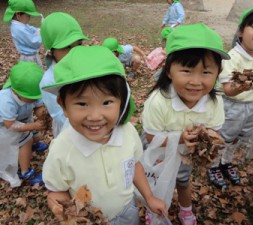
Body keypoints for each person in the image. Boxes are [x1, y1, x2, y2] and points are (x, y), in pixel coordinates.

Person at [42, 45, 167, 224]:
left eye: (107, 102)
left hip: (126, 209)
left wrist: (149, 197)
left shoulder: (128, 133)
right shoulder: (61, 150)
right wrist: (59, 207)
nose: (94, 116)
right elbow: (56, 191)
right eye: (82, 104)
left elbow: (134, 166)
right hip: (88, 218)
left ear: (122, 102)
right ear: (63, 105)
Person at [142, 23, 230, 225]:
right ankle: (152, 208)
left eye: (206, 72)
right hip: (159, 152)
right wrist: (180, 137)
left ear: (219, 72)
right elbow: (150, 137)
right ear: (169, 70)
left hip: (185, 154)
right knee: (154, 182)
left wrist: (208, 138)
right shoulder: (158, 101)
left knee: (183, 181)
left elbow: (214, 131)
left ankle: (186, 210)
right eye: (187, 70)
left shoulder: (214, 103)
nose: (196, 81)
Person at [208, 2, 253, 189]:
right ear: (240, 32)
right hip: (231, 106)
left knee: (239, 138)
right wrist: (240, 88)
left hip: (252, 107)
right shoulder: (232, 57)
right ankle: (213, 165)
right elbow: (227, 89)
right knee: (223, 137)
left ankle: (226, 161)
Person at [39, 12, 89, 137]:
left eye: (79, 44)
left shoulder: (84, 65)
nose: (75, 51)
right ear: (51, 51)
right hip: (70, 130)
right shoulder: (49, 81)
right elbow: (60, 116)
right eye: (67, 46)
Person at [0, 62, 47, 187]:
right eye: (31, 98)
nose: (34, 100)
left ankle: (34, 143)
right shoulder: (6, 100)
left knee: (36, 136)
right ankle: (25, 171)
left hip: (23, 118)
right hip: (5, 126)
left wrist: (41, 113)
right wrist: (33, 126)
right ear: (16, 92)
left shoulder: (31, 91)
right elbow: (11, 125)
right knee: (26, 141)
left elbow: (38, 105)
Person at [3, 0, 43, 68]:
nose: (30, 17)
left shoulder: (20, 25)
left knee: (38, 72)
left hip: (32, 56)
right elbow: (34, 42)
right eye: (28, 15)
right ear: (18, 14)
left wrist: (39, 30)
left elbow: (31, 28)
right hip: (28, 59)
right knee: (33, 75)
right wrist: (41, 33)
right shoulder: (18, 29)